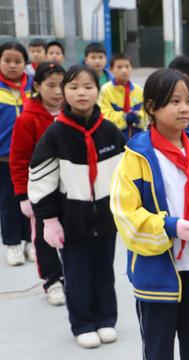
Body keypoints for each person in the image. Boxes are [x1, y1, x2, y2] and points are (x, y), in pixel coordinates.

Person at [110, 68, 189, 360]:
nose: (185, 109)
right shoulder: (136, 157)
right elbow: (125, 213)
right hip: (159, 273)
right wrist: (172, 226)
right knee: (158, 351)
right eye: (174, 101)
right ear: (152, 107)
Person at [28, 64, 125, 348]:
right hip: (72, 222)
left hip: (106, 220)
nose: (81, 93)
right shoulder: (55, 134)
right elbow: (40, 180)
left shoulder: (110, 131)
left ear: (98, 90)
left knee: (104, 271)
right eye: (73, 87)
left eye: (88, 86)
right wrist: (49, 220)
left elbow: (127, 174)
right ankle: (82, 323)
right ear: (63, 93)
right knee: (77, 274)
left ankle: (106, 318)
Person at [9, 62, 66, 306]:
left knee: (71, 236)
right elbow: (19, 159)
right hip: (41, 191)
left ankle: (70, 277)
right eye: (50, 85)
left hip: (72, 190)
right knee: (43, 237)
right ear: (37, 86)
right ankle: (52, 280)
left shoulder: (72, 113)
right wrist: (23, 195)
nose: (57, 91)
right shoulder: (27, 119)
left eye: (62, 85)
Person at [0, 41, 33, 266]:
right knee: (9, 202)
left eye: (17, 61)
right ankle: (12, 245)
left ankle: (31, 242)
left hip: (33, 156)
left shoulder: (35, 87)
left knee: (33, 200)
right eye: (7, 61)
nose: (12, 65)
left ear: (25, 64)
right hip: (4, 157)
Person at [98, 52, 146, 141]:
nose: (124, 70)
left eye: (127, 67)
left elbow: (146, 111)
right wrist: (124, 117)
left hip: (137, 136)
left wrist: (138, 116)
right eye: (119, 67)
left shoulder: (138, 90)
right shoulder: (105, 90)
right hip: (114, 136)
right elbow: (103, 114)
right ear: (111, 69)